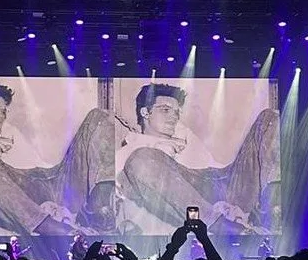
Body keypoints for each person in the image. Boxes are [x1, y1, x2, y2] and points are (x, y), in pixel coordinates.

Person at [0, 81, 115, 237]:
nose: (0, 115)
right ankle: (53, 229)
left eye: (3, 111)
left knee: (99, 117)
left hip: (55, 180)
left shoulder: (11, 133)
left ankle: (98, 209)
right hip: (19, 191)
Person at [117, 83, 280, 235]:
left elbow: (217, 167)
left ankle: (274, 212)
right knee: (143, 159)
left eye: (176, 112)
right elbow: (125, 194)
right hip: (189, 192)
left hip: (221, 180)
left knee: (270, 118)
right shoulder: (130, 151)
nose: (174, 117)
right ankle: (222, 226)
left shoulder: (185, 135)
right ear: (145, 112)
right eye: (165, 110)